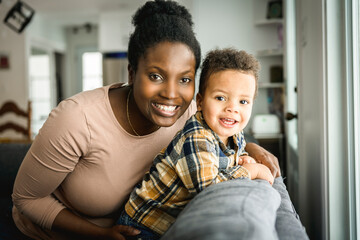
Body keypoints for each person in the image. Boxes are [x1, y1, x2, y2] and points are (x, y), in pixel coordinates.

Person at [11, 1, 280, 240]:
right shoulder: (76, 120)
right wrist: (101, 235)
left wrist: (252, 149)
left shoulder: (188, 113)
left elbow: (220, 134)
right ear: (131, 72)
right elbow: (26, 198)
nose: (172, 94)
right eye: (156, 76)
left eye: (184, 79)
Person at [116, 48, 274, 239]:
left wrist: (241, 159)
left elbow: (223, 162)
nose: (232, 108)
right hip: (144, 224)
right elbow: (208, 190)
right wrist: (251, 171)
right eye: (220, 98)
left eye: (243, 101)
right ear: (200, 101)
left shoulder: (235, 133)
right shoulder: (197, 137)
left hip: (169, 223)